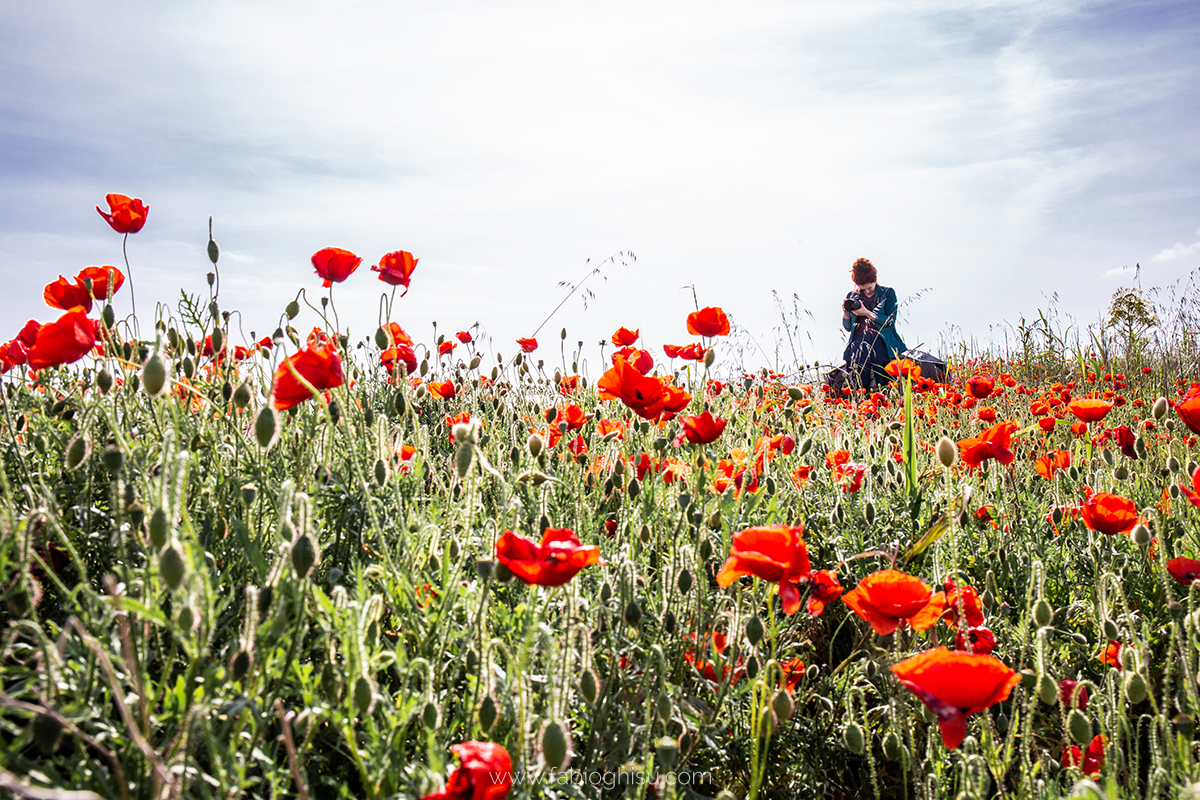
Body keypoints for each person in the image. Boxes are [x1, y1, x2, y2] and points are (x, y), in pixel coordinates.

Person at [840, 258, 907, 390]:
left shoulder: (888, 293)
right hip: (858, 344)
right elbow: (848, 328)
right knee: (857, 387)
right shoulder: (852, 296)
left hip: (881, 343)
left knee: (887, 386)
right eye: (862, 289)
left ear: (875, 280)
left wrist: (867, 313)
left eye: (870, 288)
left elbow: (889, 321)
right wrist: (846, 313)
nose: (867, 292)